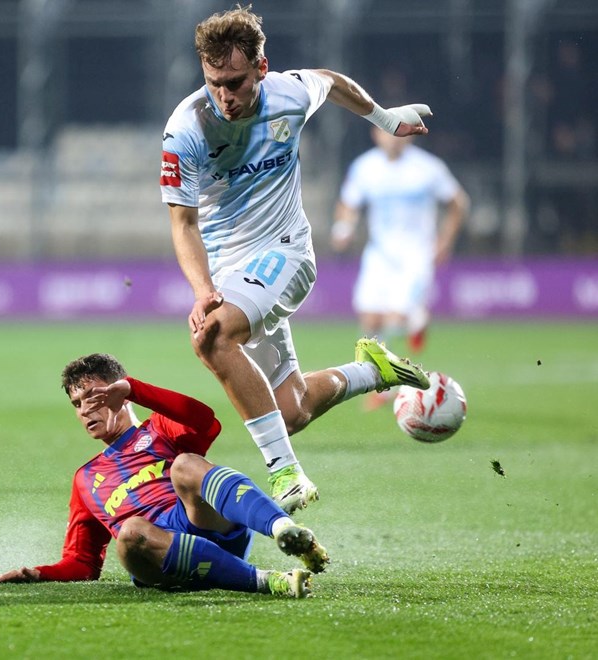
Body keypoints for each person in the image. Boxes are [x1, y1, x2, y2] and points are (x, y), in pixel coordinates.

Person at [160, 5, 431, 514]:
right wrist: (203, 289)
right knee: (290, 411)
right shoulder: (186, 129)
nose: (225, 96)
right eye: (214, 83)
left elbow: (331, 81)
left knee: (212, 336)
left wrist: (386, 118)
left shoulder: (289, 93)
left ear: (261, 68)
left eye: (236, 82)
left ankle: (285, 472)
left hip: (285, 252)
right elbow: (184, 224)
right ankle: (371, 371)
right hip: (232, 272)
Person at [0, 353, 329, 598]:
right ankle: (268, 581)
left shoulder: (158, 430)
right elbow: (83, 563)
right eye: (76, 403)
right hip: (158, 560)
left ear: (119, 393)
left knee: (185, 464)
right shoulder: (85, 479)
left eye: (93, 397)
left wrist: (136, 389)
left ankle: (284, 529)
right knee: (131, 532)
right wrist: (35, 573)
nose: (85, 409)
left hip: (205, 527)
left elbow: (206, 421)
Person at [331, 126, 469, 359]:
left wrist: (445, 241)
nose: (393, 139)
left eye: (398, 132)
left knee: (394, 319)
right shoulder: (365, 167)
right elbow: (348, 203)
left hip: (415, 255)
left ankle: (409, 325)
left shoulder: (428, 168)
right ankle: (385, 358)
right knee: (370, 320)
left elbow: (458, 203)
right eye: (387, 131)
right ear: (376, 134)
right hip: (379, 253)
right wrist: (343, 228)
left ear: (409, 136)